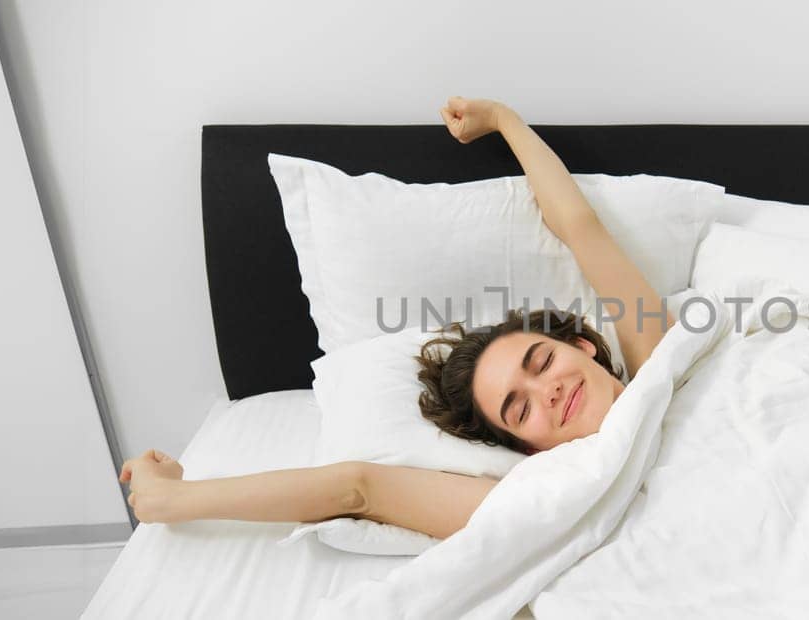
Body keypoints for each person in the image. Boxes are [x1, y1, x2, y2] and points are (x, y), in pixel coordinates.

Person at [119, 97, 672, 539]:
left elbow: (578, 226)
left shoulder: (660, 361)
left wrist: (505, 120)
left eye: (542, 361)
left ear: (584, 345)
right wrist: (173, 499)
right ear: (527, 448)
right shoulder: (544, 493)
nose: (546, 392)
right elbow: (358, 488)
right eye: (519, 407)